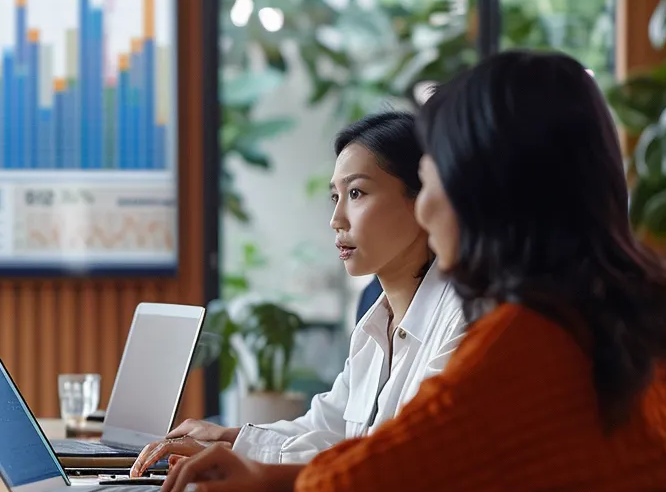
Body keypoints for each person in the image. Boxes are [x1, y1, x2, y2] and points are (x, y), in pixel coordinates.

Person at [145, 51, 666, 492]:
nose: (425, 210)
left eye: (433, 176)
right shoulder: (626, 322)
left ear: (487, 188)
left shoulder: (531, 339)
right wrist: (254, 458)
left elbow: (355, 487)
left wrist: (264, 474)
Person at [144, 112, 466, 464]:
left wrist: (239, 451)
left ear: (422, 199)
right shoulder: (374, 324)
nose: (336, 220)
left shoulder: (462, 318)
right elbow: (326, 428)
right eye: (335, 196)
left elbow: (397, 459)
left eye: (356, 193)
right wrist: (228, 438)